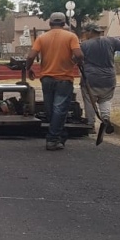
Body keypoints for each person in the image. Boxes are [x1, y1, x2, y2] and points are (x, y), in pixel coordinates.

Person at [24, 12, 84, 151]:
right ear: (64, 24)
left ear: (50, 23)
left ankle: (60, 135)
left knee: (50, 109)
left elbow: (31, 55)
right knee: (59, 109)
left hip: (47, 78)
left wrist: (29, 69)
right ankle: (52, 139)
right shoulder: (71, 36)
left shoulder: (42, 37)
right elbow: (79, 54)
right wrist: (75, 62)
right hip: (64, 78)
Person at [79, 23, 120, 134]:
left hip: (90, 79)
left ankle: (90, 125)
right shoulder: (111, 41)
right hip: (109, 78)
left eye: (86, 32)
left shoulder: (85, 45)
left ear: (90, 32)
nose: (85, 34)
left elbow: (77, 58)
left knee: (90, 102)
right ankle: (106, 119)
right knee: (105, 100)